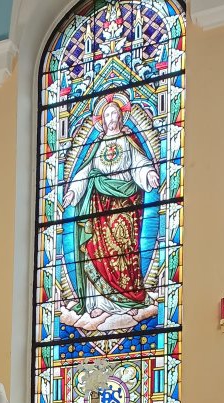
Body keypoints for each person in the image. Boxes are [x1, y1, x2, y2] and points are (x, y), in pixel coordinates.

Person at [62, 97, 159, 325]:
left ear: (121, 116)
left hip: (124, 205)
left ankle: (127, 301)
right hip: (99, 205)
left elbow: (140, 162)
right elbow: (85, 172)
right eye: (107, 115)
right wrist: (73, 192)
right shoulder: (96, 145)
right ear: (102, 120)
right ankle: (99, 303)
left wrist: (148, 174)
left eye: (114, 113)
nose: (111, 118)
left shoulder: (128, 141)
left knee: (123, 251)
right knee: (97, 251)